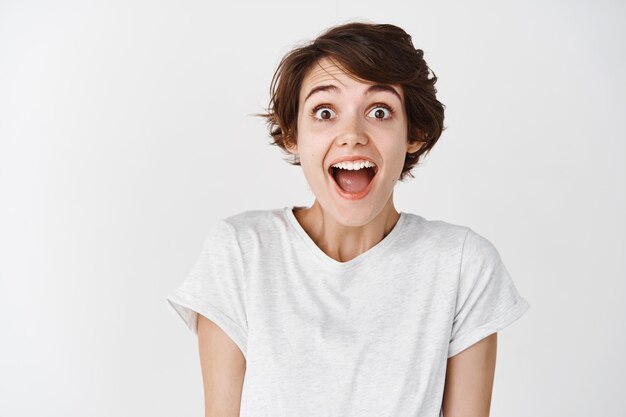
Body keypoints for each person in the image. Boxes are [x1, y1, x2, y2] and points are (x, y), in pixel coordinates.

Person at [166, 21, 530, 417]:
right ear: (293, 135)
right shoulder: (241, 251)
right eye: (325, 112)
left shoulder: (462, 264)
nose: (351, 134)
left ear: (415, 132)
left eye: (379, 111)